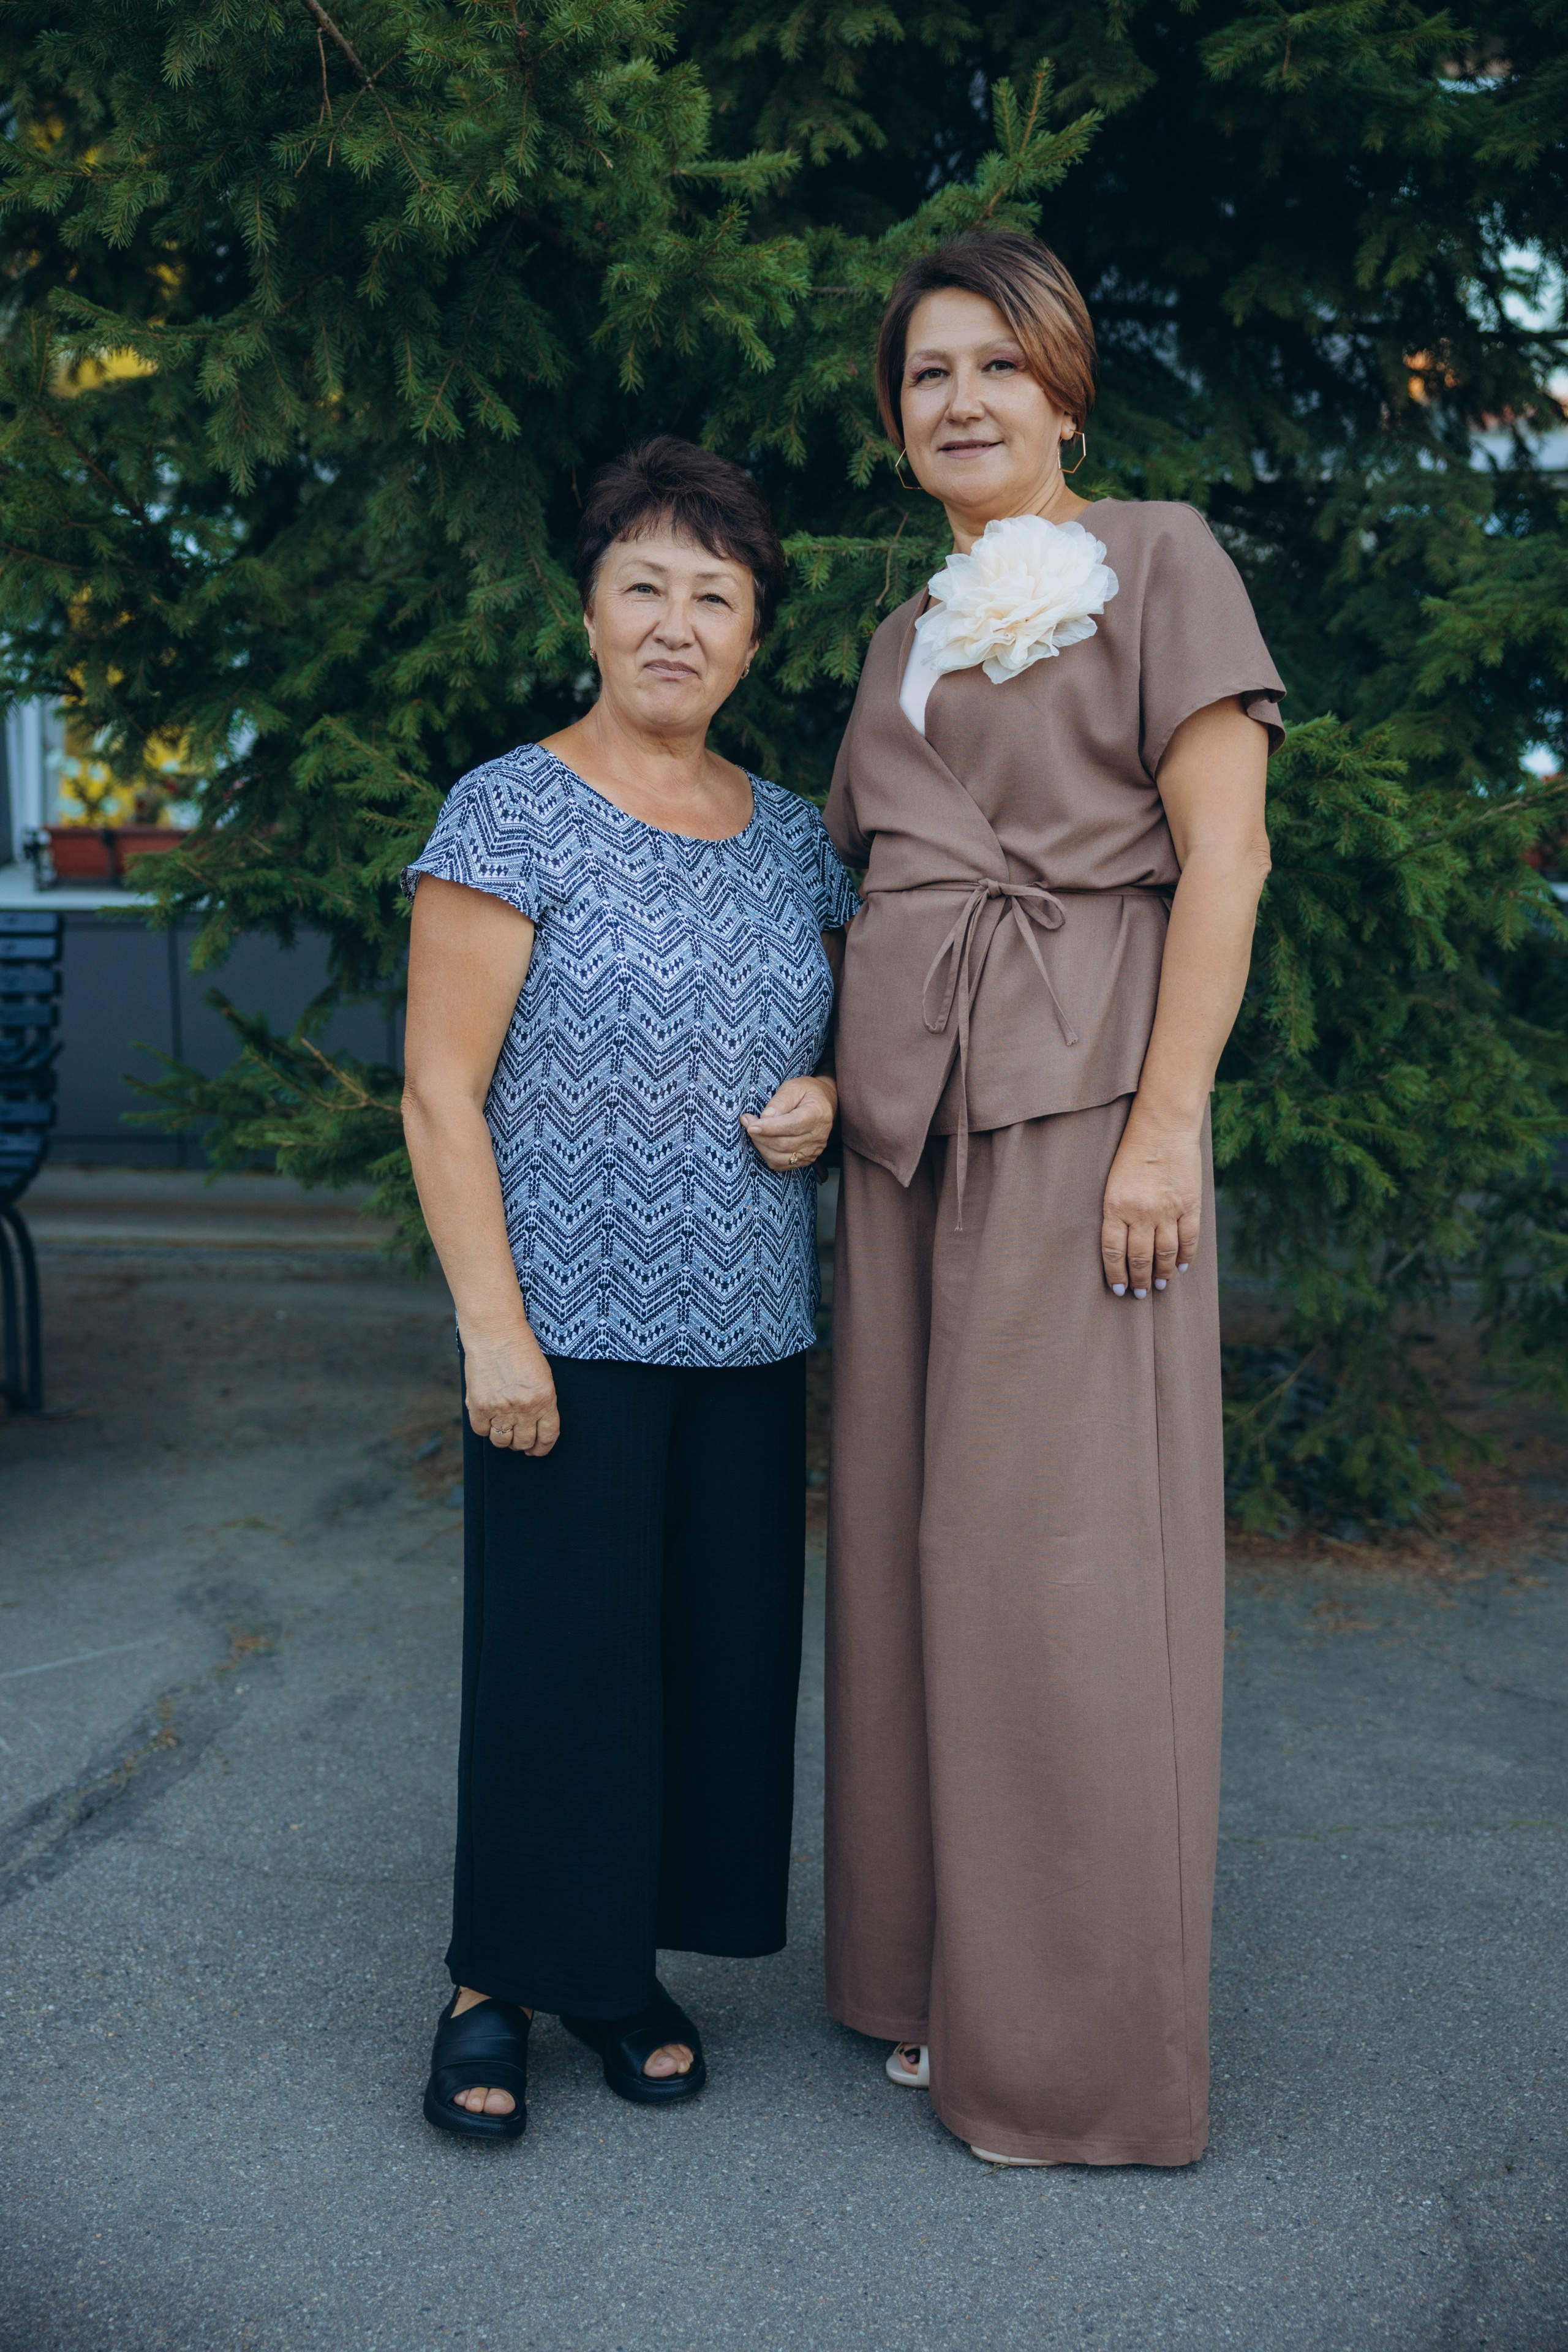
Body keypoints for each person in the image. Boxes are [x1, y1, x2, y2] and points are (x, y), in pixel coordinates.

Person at [823, 233, 1283, 2167]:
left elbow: (1226, 855)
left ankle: (1080, 2051)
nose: (962, 402)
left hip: (1081, 1106)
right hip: (904, 1135)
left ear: (1065, 389)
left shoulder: (1163, 557)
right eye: (928, 375)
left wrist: (1167, 1122)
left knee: (1066, 1578)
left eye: (997, 367)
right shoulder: (896, 632)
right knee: (919, 1560)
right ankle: (936, 1980)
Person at [402, 435, 858, 2141]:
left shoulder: (799, 841)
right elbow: (441, 1092)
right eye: (646, 586)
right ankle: (488, 1984)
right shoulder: (508, 810)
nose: (678, 622)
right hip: (566, 1329)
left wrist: (829, 1102)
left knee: (702, 1665)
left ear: (753, 638)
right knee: (556, 1663)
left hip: (748, 1327)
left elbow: (838, 1053)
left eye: (716, 595)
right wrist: (492, 1328)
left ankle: (613, 1968)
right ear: (591, 611)